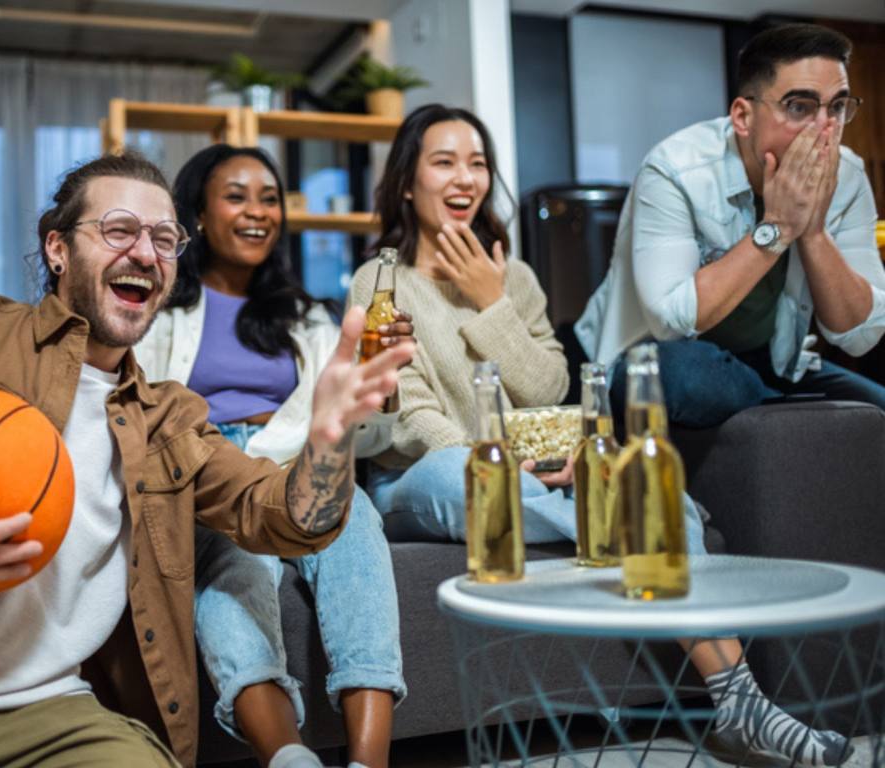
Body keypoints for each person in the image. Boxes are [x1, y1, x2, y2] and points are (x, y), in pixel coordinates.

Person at [0, 150, 413, 768]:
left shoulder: (170, 419)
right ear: (57, 248)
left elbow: (286, 519)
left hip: (55, 718)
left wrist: (331, 432)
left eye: (163, 238)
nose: (147, 253)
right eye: (119, 230)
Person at [351, 103, 853, 767]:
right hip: (424, 477)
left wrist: (491, 301)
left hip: (530, 478)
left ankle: (741, 706)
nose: (464, 178)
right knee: (475, 476)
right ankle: (626, 526)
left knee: (640, 479)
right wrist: (502, 464)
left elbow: (547, 390)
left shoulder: (513, 277)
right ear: (408, 183)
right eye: (443, 162)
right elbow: (409, 418)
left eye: (477, 163)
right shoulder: (380, 280)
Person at [134, 144, 411, 768]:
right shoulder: (158, 310)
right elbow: (140, 417)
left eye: (269, 198)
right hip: (204, 468)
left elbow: (362, 441)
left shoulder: (311, 319)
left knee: (355, 516)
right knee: (234, 565)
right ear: (198, 215)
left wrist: (377, 394)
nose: (258, 212)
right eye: (237, 196)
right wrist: (233, 464)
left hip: (298, 461)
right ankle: (289, 758)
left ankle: (371, 762)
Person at [576, 23, 885, 428]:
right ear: (743, 116)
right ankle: (782, 408)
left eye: (837, 106)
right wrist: (777, 227)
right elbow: (671, 320)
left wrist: (812, 232)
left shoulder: (847, 175)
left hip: (773, 360)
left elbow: (860, 334)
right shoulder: (674, 169)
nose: (824, 128)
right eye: (799, 106)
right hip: (655, 355)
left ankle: (770, 403)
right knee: (687, 377)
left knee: (877, 411)